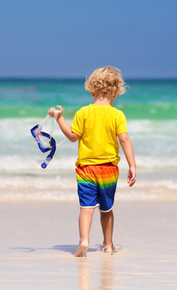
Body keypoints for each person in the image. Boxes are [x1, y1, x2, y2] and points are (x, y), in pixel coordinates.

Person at [48, 66, 136, 257]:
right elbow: (124, 140)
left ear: (91, 90)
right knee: (107, 209)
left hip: (86, 170)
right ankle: (109, 245)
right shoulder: (117, 115)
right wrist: (132, 165)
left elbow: (72, 136)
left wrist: (59, 118)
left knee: (86, 208)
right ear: (115, 92)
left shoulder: (83, 113)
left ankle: (84, 241)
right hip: (109, 170)